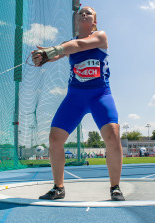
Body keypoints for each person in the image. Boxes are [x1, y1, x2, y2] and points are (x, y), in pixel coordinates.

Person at [32, 6, 125, 201]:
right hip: (75, 97)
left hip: (100, 95)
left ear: (94, 22)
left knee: (113, 135)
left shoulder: (100, 36)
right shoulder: (68, 43)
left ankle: (115, 187)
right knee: (55, 138)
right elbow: (58, 54)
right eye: (80, 13)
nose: (84, 14)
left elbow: (78, 47)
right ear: (76, 21)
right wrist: (42, 57)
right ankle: (58, 188)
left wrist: (55, 49)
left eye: (88, 13)